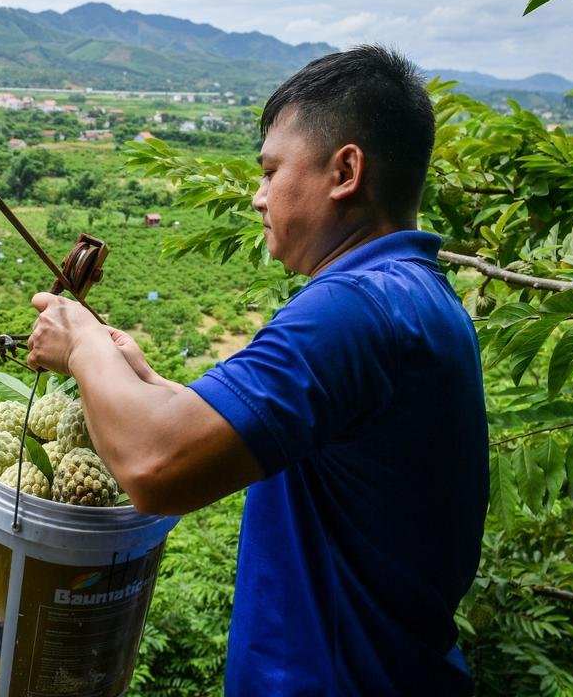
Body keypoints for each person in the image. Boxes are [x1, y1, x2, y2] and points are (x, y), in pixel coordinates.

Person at [26, 45, 488, 696]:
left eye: (272, 171)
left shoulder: (354, 310)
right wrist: (141, 379)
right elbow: (271, 442)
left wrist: (80, 344)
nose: (258, 196)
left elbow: (156, 468)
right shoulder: (416, 298)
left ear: (345, 170)